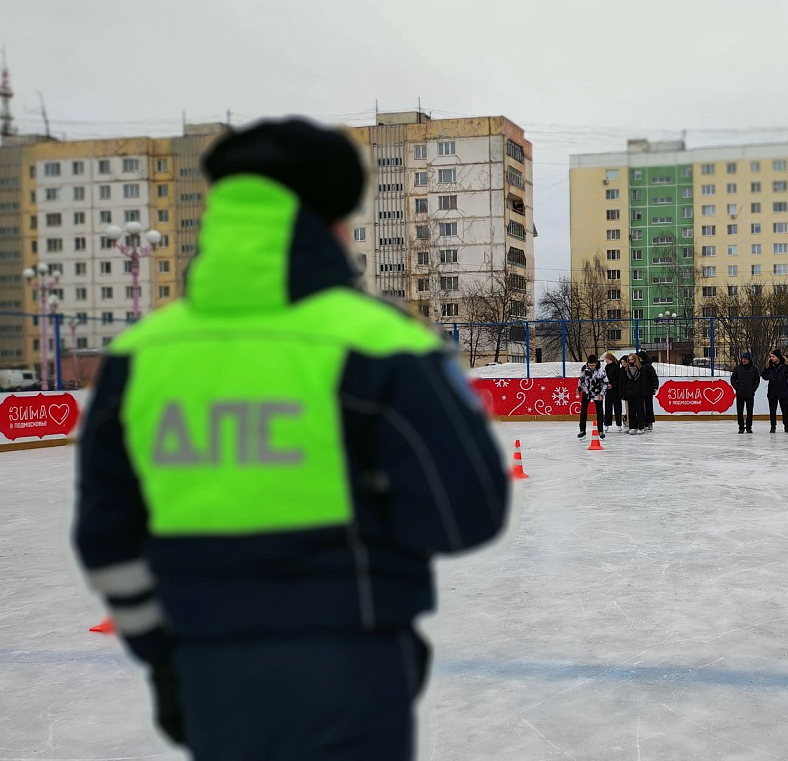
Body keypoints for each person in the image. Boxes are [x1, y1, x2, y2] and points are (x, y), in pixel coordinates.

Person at [71, 118, 512, 760]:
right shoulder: (381, 343)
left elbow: (106, 537)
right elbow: (463, 516)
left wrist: (164, 657)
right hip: (353, 661)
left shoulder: (139, 356)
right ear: (335, 221)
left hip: (206, 665)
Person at [761, 349, 788, 433]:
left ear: (778, 357)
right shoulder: (769, 365)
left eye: (773, 356)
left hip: (783, 390)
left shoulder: (785, 365)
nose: (771, 358)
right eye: (771, 356)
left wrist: (784, 376)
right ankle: (773, 426)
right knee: (772, 410)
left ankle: (786, 425)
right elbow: (763, 374)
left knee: (784, 410)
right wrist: (770, 376)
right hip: (772, 391)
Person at [577, 354, 607, 439]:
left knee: (599, 411)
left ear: (596, 363)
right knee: (583, 410)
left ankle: (600, 431)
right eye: (590, 365)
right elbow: (581, 379)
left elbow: (605, 383)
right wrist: (579, 389)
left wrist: (602, 394)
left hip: (597, 392)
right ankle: (582, 430)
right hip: (587, 392)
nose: (591, 367)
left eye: (593, 365)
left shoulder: (601, 371)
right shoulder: (584, 369)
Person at [730, 351, 761, 433]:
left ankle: (748, 427)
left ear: (749, 360)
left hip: (750, 394)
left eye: (746, 359)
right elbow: (733, 379)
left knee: (750, 411)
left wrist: (753, 389)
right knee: (739, 411)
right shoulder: (737, 368)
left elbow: (757, 380)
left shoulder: (754, 369)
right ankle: (741, 427)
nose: (744, 360)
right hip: (740, 394)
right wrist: (737, 388)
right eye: (743, 358)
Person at [624, 353, 647, 434]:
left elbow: (644, 381)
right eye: (629, 360)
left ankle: (641, 426)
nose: (631, 361)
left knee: (639, 410)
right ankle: (633, 426)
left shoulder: (641, 369)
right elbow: (625, 382)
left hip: (639, 393)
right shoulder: (626, 370)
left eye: (632, 360)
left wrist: (643, 391)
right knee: (631, 411)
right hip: (630, 393)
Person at [637, 350, 659, 432]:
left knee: (648, 406)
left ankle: (649, 422)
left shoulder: (648, 366)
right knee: (641, 407)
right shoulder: (638, 366)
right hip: (640, 390)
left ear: (640, 358)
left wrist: (654, 387)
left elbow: (654, 377)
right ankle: (643, 422)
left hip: (648, 390)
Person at [602, 352, 625, 432]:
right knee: (607, 408)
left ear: (609, 359)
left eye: (606, 359)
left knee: (617, 408)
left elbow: (619, 379)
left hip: (615, 391)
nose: (605, 360)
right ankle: (606, 424)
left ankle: (619, 424)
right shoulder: (606, 367)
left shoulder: (616, 367)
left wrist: (612, 385)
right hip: (608, 391)